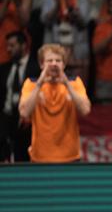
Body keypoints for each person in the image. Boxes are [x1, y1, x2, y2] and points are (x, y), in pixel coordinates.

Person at [18, 44, 91, 163]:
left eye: (58, 60)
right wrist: (40, 83)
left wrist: (66, 84)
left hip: (70, 156)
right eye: (49, 60)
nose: (54, 64)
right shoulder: (31, 84)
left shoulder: (75, 83)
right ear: (42, 64)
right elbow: (24, 112)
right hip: (40, 157)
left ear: (64, 65)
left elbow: (85, 110)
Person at [0, 31, 39, 162]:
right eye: (7, 46)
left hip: (27, 123)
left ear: (23, 46)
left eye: (12, 45)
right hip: (5, 120)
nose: (8, 49)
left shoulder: (36, 69)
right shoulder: (3, 69)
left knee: (23, 159)